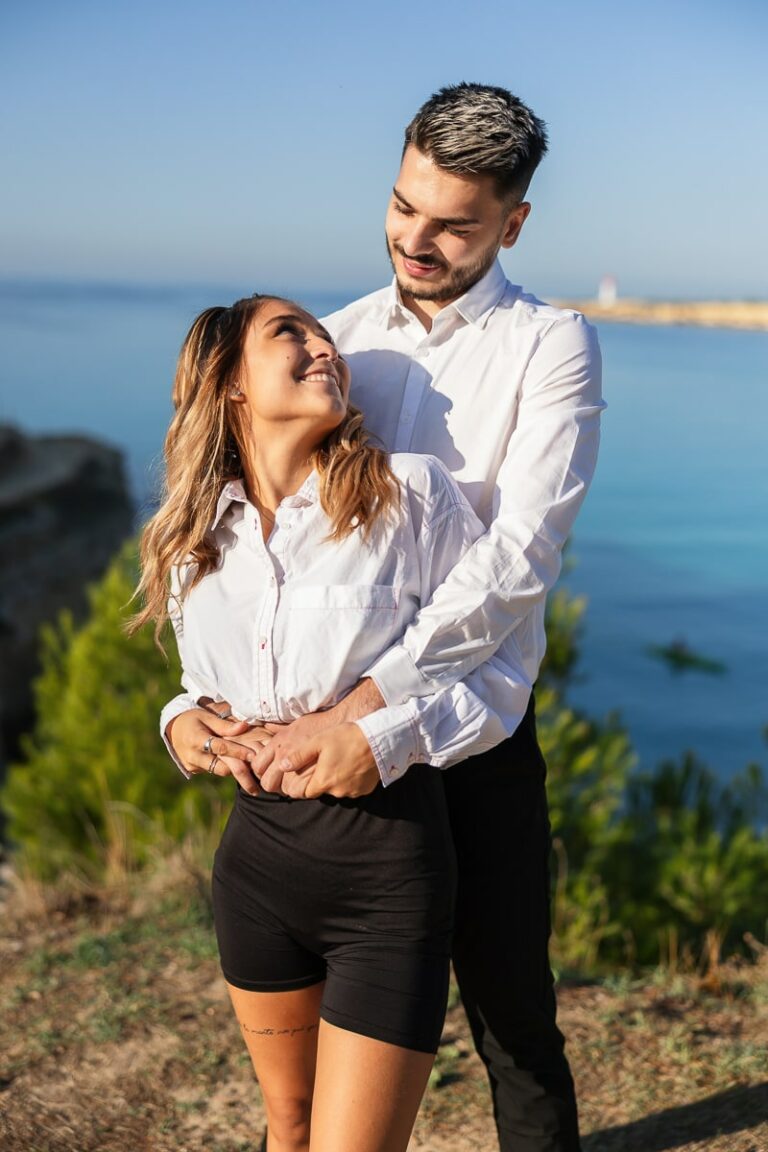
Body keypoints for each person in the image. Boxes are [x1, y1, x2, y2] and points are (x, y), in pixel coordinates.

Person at [170, 83, 604, 1151]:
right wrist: (197, 706)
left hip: (475, 737)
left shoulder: (550, 345)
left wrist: (376, 708)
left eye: (454, 221)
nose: (416, 237)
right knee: (313, 1082)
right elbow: (254, 556)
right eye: (404, 204)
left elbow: (515, 562)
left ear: (513, 222)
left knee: (513, 1018)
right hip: (325, 779)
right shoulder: (342, 340)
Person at [134, 293, 533, 1152]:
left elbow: (503, 674)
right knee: (288, 1123)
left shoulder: (412, 495)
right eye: (292, 334)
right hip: (255, 873)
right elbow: (197, 684)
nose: (326, 347)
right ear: (229, 383)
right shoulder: (194, 538)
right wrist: (182, 726)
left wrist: (381, 740)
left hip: (387, 880)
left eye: (324, 334)